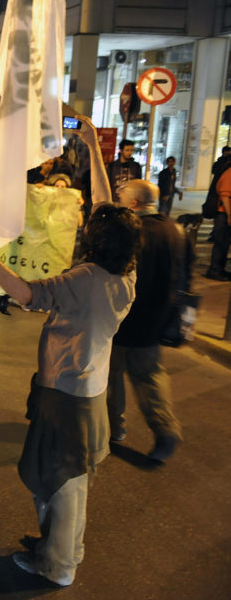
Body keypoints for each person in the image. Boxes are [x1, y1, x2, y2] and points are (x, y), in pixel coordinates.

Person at [0, 203, 138, 587]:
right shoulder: (126, 275)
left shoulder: (86, 277)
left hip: (65, 394)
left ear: (95, 240)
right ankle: (66, 552)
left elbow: (28, 294)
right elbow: (111, 208)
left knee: (60, 483)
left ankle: (57, 565)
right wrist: (92, 145)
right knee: (76, 480)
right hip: (91, 392)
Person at [107, 180, 187, 461]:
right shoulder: (174, 230)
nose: (118, 199)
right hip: (156, 320)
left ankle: (113, 428)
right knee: (150, 377)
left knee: (110, 377)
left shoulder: (131, 232)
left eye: (122, 196)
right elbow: (184, 275)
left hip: (123, 319)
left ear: (134, 204)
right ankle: (166, 430)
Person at [205, 159, 231, 281]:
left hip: (225, 214)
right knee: (221, 244)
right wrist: (229, 214)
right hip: (223, 214)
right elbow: (224, 195)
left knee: (224, 244)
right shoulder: (229, 173)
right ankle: (214, 270)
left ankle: (220, 269)